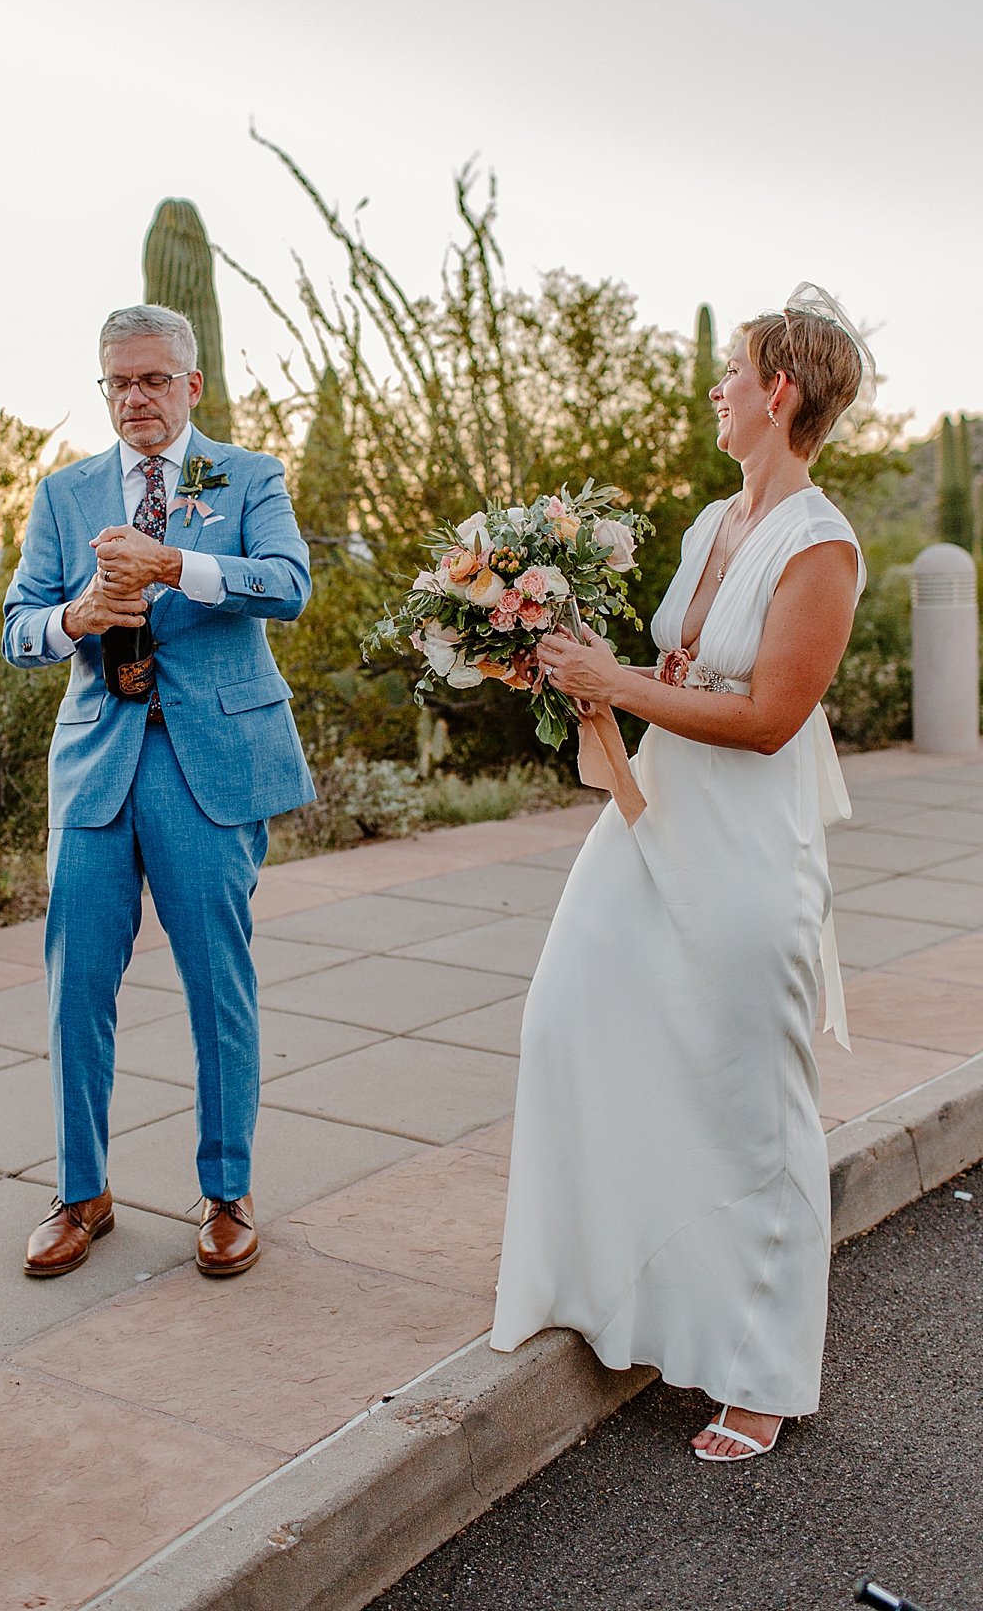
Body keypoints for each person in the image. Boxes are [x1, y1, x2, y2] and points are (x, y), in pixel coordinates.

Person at [491, 284, 874, 1462]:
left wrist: (620, 685)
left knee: (752, 1105)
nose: (714, 389)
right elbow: (681, 669)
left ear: (781, 392)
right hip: (648, 820)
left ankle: (761, 1375)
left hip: (750, 853)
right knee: (567, 1022)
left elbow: (767, 716)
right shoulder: (716, 521)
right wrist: (578, 667)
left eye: (734, 372)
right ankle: (608, 1289)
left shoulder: (824, 546)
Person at [2, 303, 314, 1281]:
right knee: (75, 991)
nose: (135, 399)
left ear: (191, 386)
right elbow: (16, 627)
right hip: (98, 770)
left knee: (218, 987)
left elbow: (287, 583)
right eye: (117, 382)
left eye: (152, 380)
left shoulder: (241, 475)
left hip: (206, 768)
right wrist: (74, 616)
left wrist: (175, 563)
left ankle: (228, 1194)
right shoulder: (64, 494)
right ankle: (80, 1191)